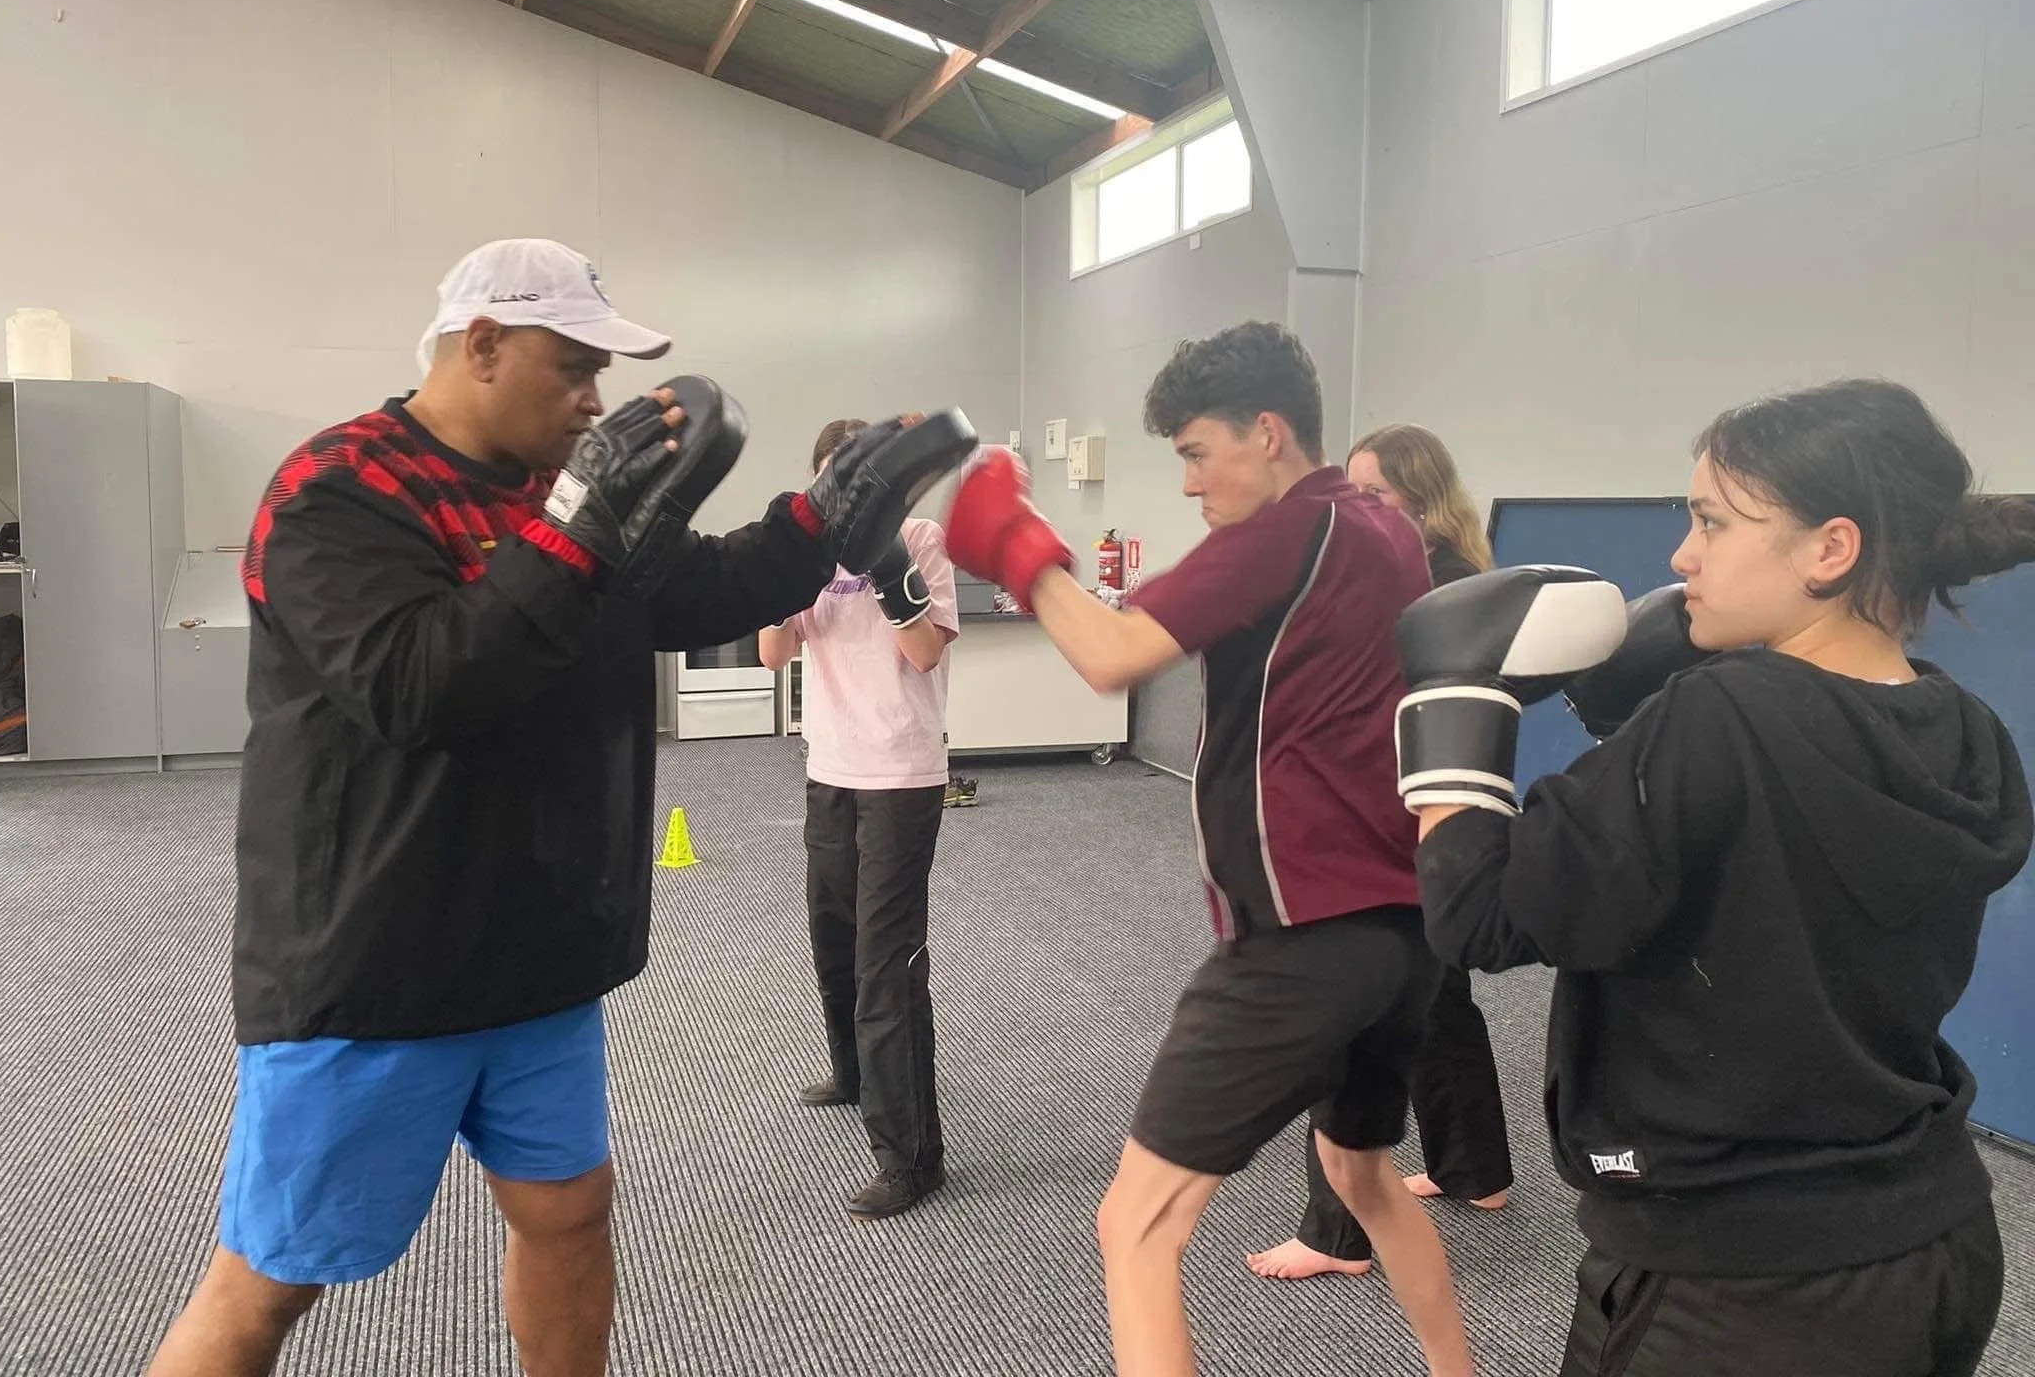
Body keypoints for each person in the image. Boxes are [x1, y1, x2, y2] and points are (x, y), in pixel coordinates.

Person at [147, 239, 935, 1377]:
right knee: (271, 1279)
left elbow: (702, 588)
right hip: (378, 966)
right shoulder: (336, 492)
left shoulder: (557, 500)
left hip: (535, 954)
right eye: (572, 369)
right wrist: (576, 524)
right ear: (481, 346)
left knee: (568, 1213)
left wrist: (819, 525)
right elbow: (417, 685)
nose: (593, 402)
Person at [1394, 378, 2035, 1377]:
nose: (1681, 557)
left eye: (1712, 522)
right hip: (1936, 1235)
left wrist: (1453, 699)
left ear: (1830, 549)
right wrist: (1634, 722)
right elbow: (1759, 853)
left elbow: (1477, 914)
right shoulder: (1964, 730)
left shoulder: (1721, 717)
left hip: (1739, 1282)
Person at [942, 321, 1474, 1377]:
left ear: (1266, 433)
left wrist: (1019, 550)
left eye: (1195, 453)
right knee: (1360, 1175)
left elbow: (1111, 655)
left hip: (1300, 939)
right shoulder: (1382, 525)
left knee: (1135, 1225)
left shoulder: (1286, 529)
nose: (1188, 484)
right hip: (1402, 933)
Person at [1252, 423, 1513, 1282]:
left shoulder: (1431, 589)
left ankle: (1336, 1233)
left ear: (1421, 499)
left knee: (1349, 1005)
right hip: (1430, 816)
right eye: (1351, 493)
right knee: (1439, 996)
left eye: (1376, 494)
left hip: (1393, 818)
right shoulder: (1448, 577)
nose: (1358, 509)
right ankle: (1474, 1169)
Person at [759, 418, 960, 1221]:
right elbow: (774, 654)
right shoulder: (813, 556)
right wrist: (783, 578)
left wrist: (886, 562)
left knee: (886, 963)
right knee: (834, 936)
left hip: (901, 776)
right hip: (829, 770)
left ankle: (912, 1158)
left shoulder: (922, 538)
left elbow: (925, 652)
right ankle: (852, 1072)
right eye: (832, 484)